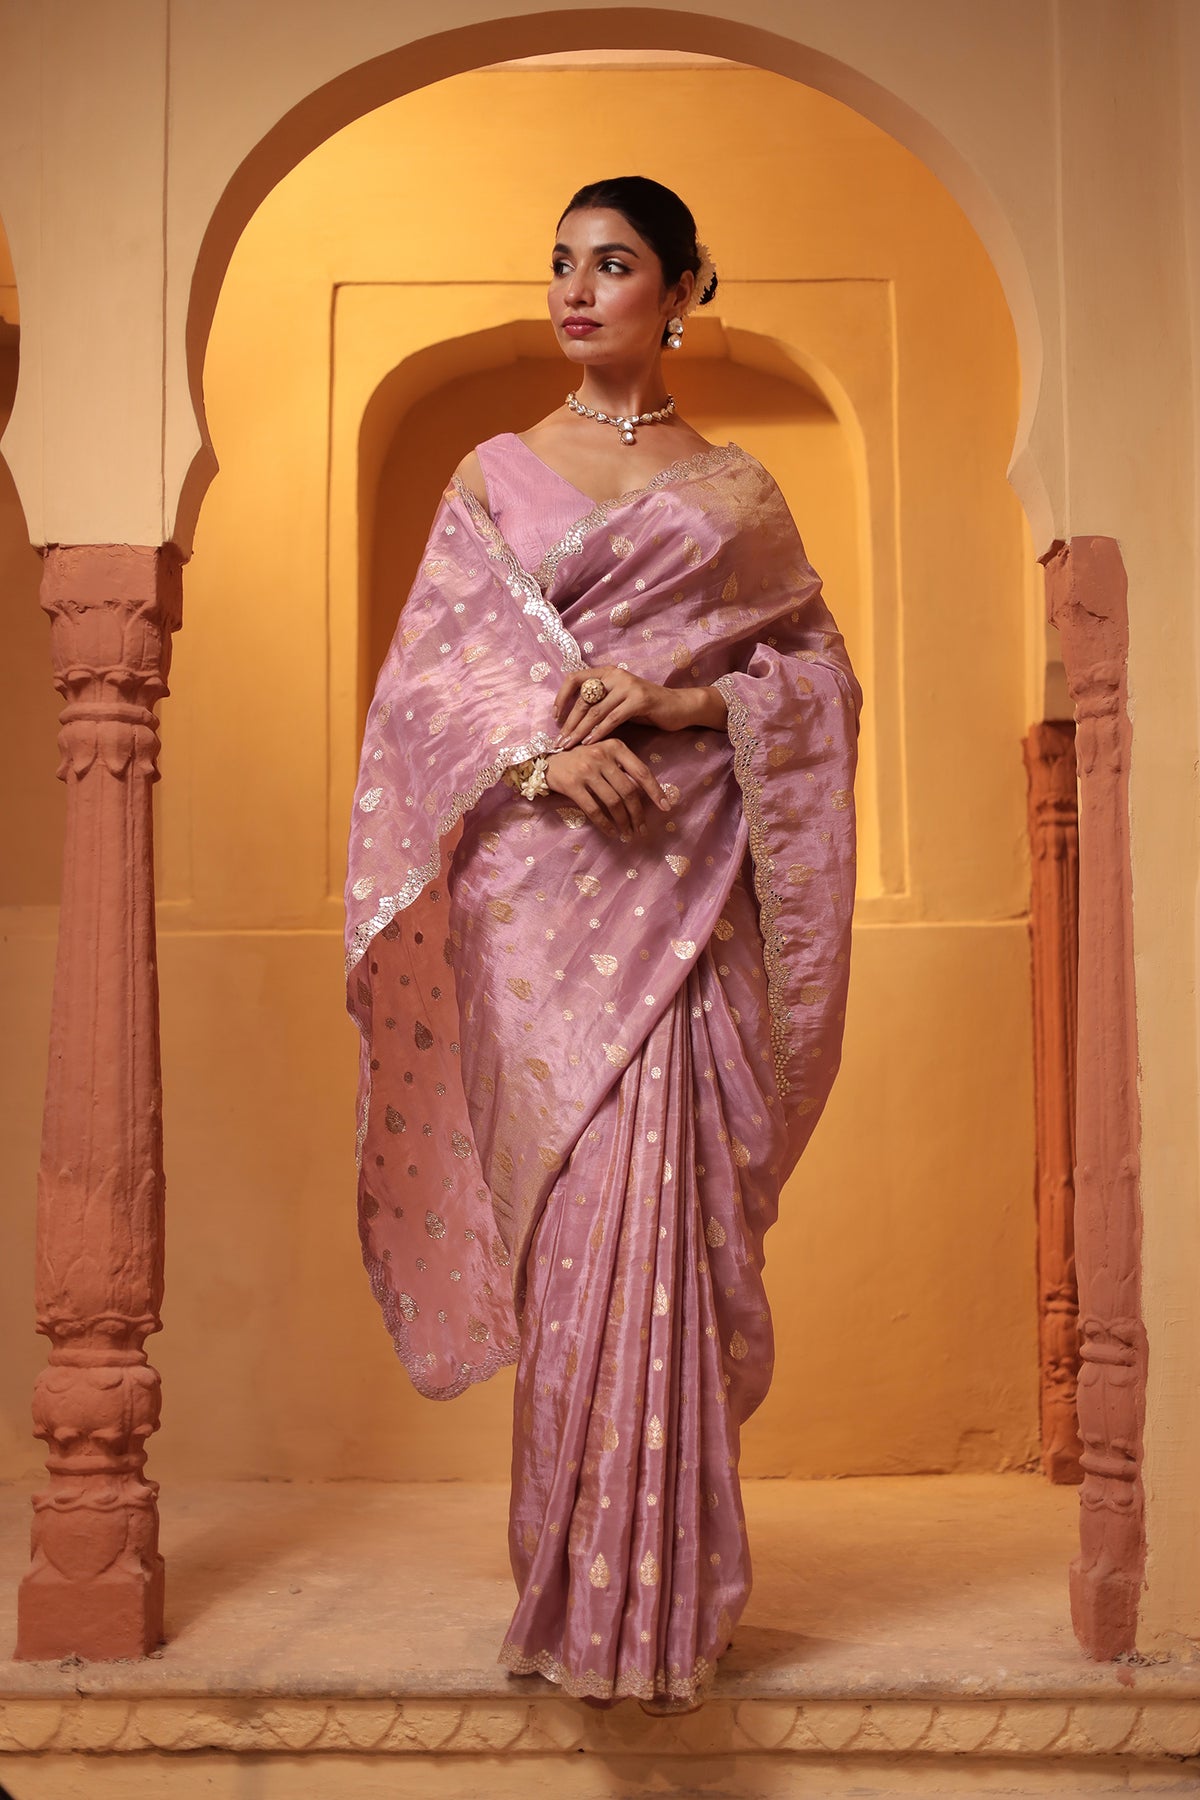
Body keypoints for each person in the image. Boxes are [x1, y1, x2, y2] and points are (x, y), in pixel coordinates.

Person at [345, 175, 862, 1713]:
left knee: (680, 1236)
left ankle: (669, 1613)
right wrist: (540, 751)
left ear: (683, 290)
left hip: (691, 897)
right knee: (582, 1242)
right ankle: (575, 1598)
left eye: (615, 263)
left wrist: (685, 702)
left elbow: (821, 688)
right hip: (539, 905)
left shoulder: (739, 499)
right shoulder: (491, 478)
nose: (577, 289)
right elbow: (425, 692)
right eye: (562, 263)